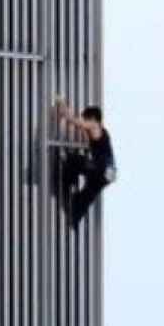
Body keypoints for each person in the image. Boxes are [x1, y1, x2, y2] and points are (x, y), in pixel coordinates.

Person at [53, 94, 115, 229]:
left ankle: (65, 180)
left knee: (74, 161)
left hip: (101, 168)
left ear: (92, 118)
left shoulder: (94, 125)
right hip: (108, 174)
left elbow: (76, 121)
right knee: (86, 195)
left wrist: (62, 107)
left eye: (86, 118)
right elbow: (80, 126)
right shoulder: (102, 133)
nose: (84, 122)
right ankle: (74, 217)